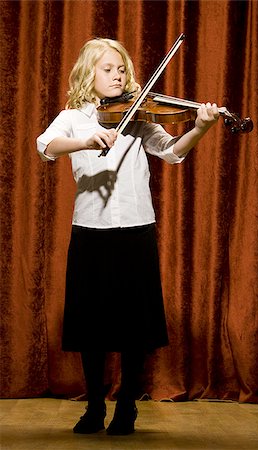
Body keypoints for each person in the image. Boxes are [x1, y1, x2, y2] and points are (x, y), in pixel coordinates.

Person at [36, 37, 219, 436]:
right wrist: (86, 140)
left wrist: (201, 127)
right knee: (91, 325)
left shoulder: (138, 117)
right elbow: (45, 145)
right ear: (89, 74)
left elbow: (172, 150)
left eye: (121, 70)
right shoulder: (73, 117)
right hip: (91, 233)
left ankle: (127, 407)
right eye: (108, 70)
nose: (118, 76)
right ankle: (95, 406)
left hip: (136, 231)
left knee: (134, 324)